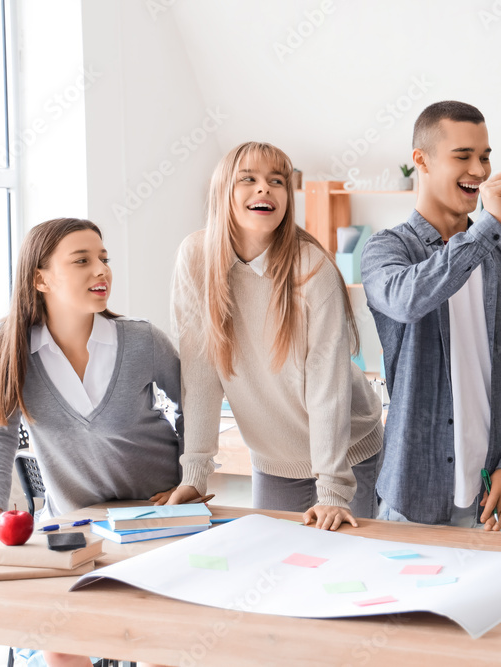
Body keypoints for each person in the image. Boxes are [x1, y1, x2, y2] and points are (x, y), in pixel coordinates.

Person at [0, 217, 182, 667]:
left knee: (155, 645)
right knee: (61, 646)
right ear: (40, 278)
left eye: (104, 259)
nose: (101, 271)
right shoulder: (10, 343)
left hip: (155, 518)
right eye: (82, 261)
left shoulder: (141, 340)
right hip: (74, 523)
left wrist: (190, 479)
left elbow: (197, 405)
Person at [164, 142, 383, 531]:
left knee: (343, 570)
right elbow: (199, 375)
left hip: (347, 454)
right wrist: (194, 475)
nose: (264, 189)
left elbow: (327, 384)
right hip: (273, 457)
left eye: (276, 181)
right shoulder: (195, 258)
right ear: (222, 192)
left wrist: (332, 491)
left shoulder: (312, 267)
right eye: (247, 179)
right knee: (276, 567)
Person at [361, 101, 501, 531]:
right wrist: (486, 229)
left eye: (485, 156)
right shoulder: (387, 250)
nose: (480, 170)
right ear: (422, 161)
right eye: (463, 156)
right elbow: (406, 299)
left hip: (499, 501)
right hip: (413, 498)